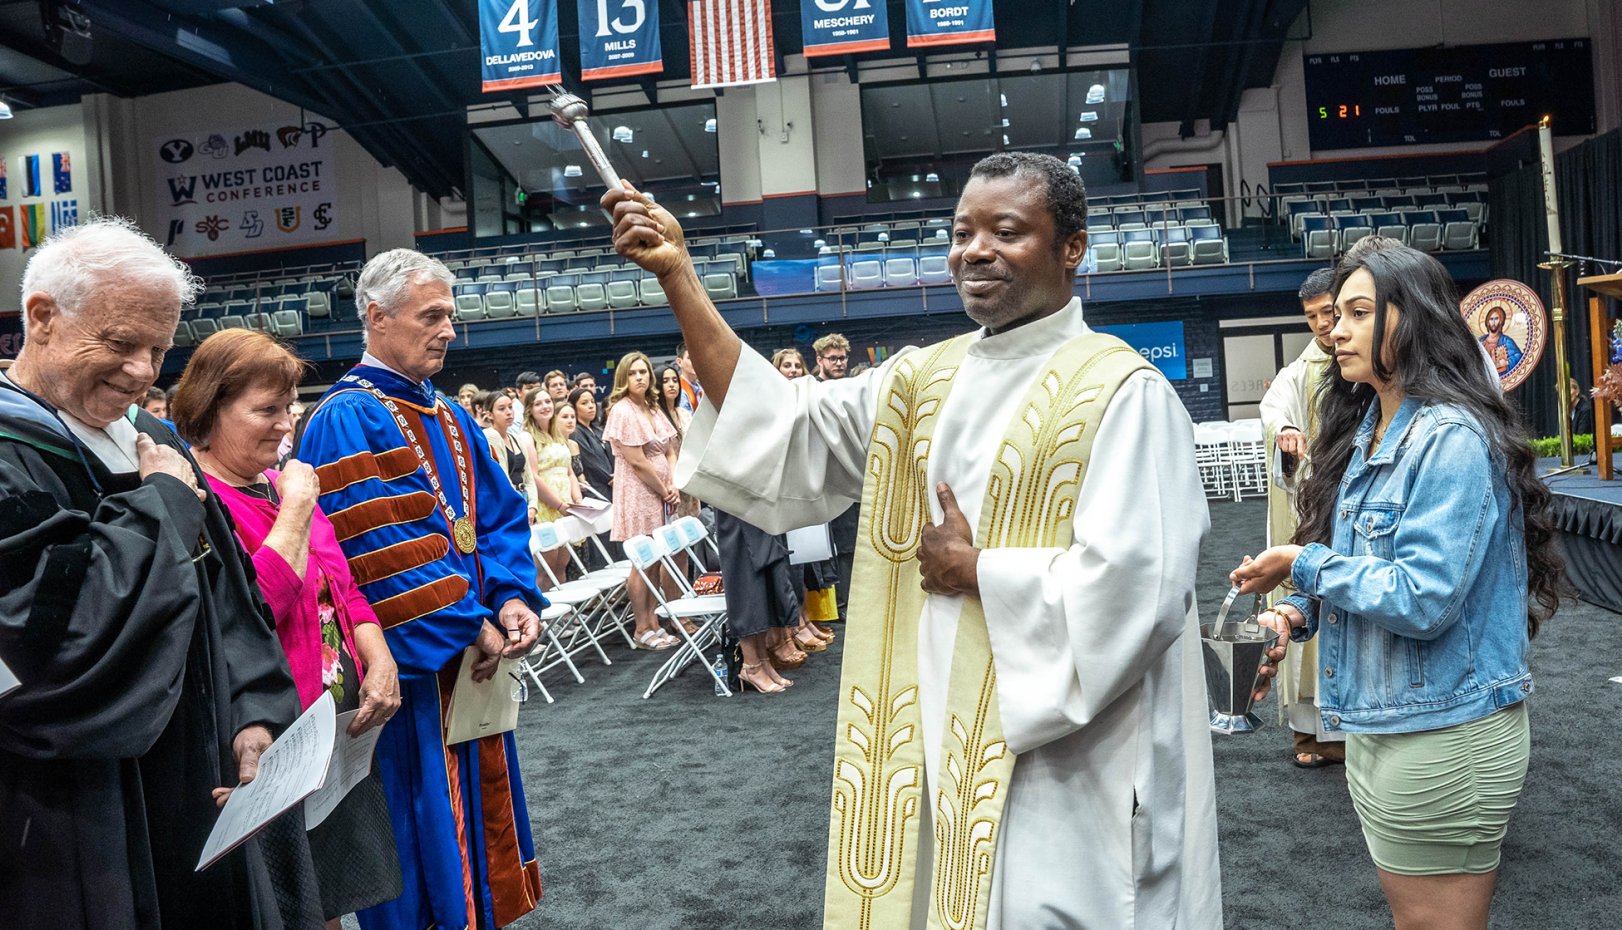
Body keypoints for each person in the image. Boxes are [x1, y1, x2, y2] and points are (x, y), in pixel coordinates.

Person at [605, 151, 1221, 928]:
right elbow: (777, 424)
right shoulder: (920, 379)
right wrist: (680, 279)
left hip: (1074, 757)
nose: (975, 250)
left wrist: (980, 571)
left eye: (1006, 230)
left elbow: (1143, 589)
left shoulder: (1125, 393)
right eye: (962, 231)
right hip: (935, 731)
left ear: (1072, 247)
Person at [0, 217, 323, 930]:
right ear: (42, 318)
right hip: (76, 812)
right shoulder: (12, 453)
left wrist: (251, 716)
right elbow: (44, 640)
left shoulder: (154, 444)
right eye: (121, 344)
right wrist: (163, 507)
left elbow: (226, 601)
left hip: (199, 785)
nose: (146, 372)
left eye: (158, 348)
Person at [1231, 237, 1562, 930]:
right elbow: (1357, 556)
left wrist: (1300, 564)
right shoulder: (1370, 430)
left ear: (1409, 320)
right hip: (1381, 724)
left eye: (1356, 313)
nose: (1334, 331)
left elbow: (1423, 597)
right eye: (1333, 316)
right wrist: (1294, 614)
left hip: (1445, 732)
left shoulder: (1451, 438)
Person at [295, 248, 544, 930]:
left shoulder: (450, 417)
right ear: (376, 316)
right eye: (431, 316)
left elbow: (497, 517)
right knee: (416, 829)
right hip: (409, 669)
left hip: (466, 655)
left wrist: (511, 598)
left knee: (468, 826)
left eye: (450, 317)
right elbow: (376, 551)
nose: (448, 331)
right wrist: (467, 622)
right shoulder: (348, 417)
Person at [171, 329, 405, 927]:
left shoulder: (279, 483)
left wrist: (379, 658)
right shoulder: (201, 503)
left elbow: (343, 588)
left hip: (335, 728)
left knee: (328, 899)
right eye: (266, 409)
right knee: (288, 905)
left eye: (290, 407)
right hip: (270, 735)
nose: (285, 423)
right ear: (210, 407)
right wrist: (298, 507)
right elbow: (252, 611)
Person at [1259, 267, 1345, 769]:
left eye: (1328, 312)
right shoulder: (1300, 372)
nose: (1320, 324)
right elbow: (1276, 408)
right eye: (1311, 316)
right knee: (1304, 613)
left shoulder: (1373, 366)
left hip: (1357, 514)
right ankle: (1310, 736)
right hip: (1316, 510)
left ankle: (1357, 728)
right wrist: (1288, 430)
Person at [602, 350, 681, 650]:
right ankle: (640, 627)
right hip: (639, 492)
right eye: (634, 373)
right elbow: (637, 461)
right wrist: (664, 489)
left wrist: (672, 482)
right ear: (624, 377)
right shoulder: (622, 410)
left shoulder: (652, 406)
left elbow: (669, 449)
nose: (640, 377)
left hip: (662, 490)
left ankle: (654, 621)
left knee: (656, 559)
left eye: (644, 372)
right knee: (640, 560)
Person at [810, 334, 860, 624]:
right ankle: (834, 604)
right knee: (827, 543)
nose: (839, 363)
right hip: (821, 475)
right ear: (819, 360)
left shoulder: (850, 387)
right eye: (833, 358)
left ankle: (848, 602)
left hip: (849, 471)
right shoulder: (811, 390)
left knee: (850, 540)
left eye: (842, 358)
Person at [521, 386, 582, 586]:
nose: (545, 406)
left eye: (548, 402)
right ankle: (543, 615)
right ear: (529, 409)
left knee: (561, 565)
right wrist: (558, 505)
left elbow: (570, 471)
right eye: (538, 403)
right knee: (546, 569)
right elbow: (533, 477)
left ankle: (565, 617)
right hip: (547, 506)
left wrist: (577, 500)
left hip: (567, 504)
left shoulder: (558, 435)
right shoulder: (527, 437)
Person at [480, 389, 540, 526]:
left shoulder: (517, 438)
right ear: (489, 415)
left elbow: (528, 477)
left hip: (523, 500)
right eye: (502, 409)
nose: (509, 412)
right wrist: (521, 507)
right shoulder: (490, 435)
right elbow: (503, 477)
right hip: (506, 505)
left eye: (510, 407)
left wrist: (533, 506)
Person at [569, 385, 612, 497]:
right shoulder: (575, 433)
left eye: (592, 402)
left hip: (613, 487)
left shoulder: (598, 429)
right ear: (574, 408)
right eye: (584, 403)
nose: (591, 406)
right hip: (595, 490)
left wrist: (618, 475)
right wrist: (610, 477)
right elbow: (590, 461)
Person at [1478, 306, 1523, 377]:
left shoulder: (1506, 341)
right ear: (1487, 321)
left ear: (1501, 321)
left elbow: (1518, 356)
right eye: (1491, 319)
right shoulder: (1480, 341)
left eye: (1496, 319)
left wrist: (1506, 362)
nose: (1493, 322)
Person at [674, 341, 701, 413]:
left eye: (698, 357)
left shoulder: (702, 389)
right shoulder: (677, 389)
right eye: (690, 358)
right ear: (679, 362)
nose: (695, 361)